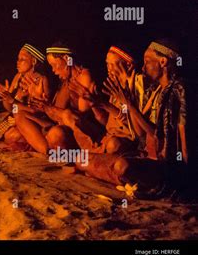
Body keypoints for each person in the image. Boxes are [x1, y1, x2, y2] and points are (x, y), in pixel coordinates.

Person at [81, 40, 189, 195]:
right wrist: (126, 103)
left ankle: (136, 181)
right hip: (145, 155)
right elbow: (140, 135)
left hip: (163, 163)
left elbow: (159, 136)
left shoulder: (178, 89)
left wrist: (128, 104)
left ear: (163, 62)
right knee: (82, 159)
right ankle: (132, 181)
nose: (143, 67)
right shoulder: (155, 90)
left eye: (146, 62)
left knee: (121, 166)